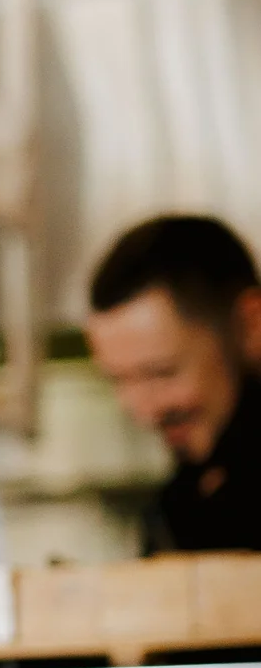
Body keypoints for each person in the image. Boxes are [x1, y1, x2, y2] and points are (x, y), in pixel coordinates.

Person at [83, 214, 261, 551]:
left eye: (161, 372)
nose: (142, 411)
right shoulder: (179, 505)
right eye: (119, 380)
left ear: (251, 324)